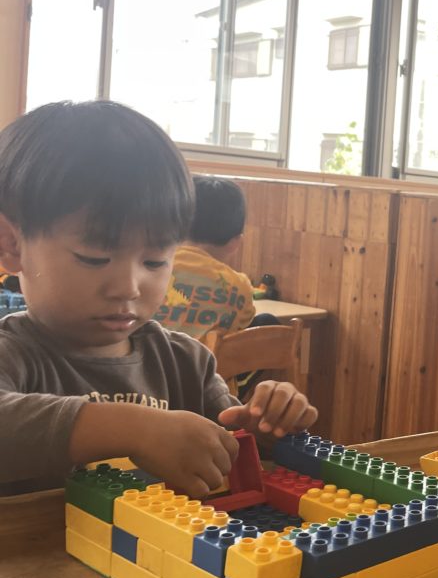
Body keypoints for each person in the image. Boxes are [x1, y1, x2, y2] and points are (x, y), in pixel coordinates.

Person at [0, 100, 317, 497]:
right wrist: (133, 428)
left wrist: (265, 428)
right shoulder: (13, 355)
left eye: (154, 261)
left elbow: (229, 450)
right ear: (12, 245)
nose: (128, 287)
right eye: (94, 258)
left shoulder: (185, 362)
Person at [154, 176, 259, 344]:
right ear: (235, 243)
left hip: (149, 357)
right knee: (265, 321)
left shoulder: (153, 268)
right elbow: (243, 323)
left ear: (176, 227)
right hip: (206, 360)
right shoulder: (240, 286)